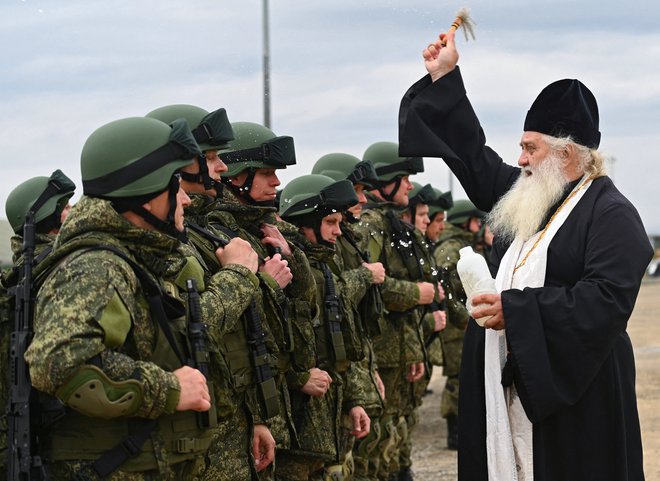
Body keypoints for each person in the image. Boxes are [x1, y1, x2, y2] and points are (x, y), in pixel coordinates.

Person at [398, 28, 652, 481]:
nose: (520, 159)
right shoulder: (533, 195)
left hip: (578, 399)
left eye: (529, 147)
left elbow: (606, 300)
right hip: (511, 389)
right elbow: (474, 158)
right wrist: (445, 78)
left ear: (566, 153)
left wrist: (514, 311)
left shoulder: (612, 214)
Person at [25, 116, 258, 480]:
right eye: (174, 186)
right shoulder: (96, 267)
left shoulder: (130, 258)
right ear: (144, 194)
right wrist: (169, 388)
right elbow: (59, 363)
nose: (184, 198)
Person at [147, 105, 278, 480]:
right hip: (193, 433)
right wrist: (241, 274)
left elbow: (238, 345)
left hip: (227, 423)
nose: (222, 167)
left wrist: (253, 419)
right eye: (210, 157)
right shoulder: (165, 240)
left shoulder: (201, 230)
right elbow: (187, 332)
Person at [279, 174, 372, 481]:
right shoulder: (286, 270)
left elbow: (344, 343)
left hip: (326, 422)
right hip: (296, 428)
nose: (337, 230)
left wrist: (354, 401)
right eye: (330, 222)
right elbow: (268, 345)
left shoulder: (325, 268)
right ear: (306, 222)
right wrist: (298, 377)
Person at [354, 141, 436, 481]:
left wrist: (415, 350)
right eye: (404, 178)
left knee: (392, 438)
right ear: (385, 181)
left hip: (398, 353)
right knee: (372, 447)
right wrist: (415, 293)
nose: (409, 186)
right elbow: (370, 288)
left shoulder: (390, 225)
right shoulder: (370, 227)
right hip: (381, 353)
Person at [312, 153, 387, 481]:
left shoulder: (347, 237)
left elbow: (355, 325)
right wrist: (365, 276)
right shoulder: (322, 242)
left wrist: (370, 372)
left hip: (355, 369)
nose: (361, 198)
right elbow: (332, 301)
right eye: (354, 189)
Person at [1, 170, 76, 479]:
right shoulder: (64, 270)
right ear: (50, 218)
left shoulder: (17, 278)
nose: (75, 212)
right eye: (67, 207)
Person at [433, 199, 485, 450]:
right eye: (475, 221)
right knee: (456, 377)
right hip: (456, 324)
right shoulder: (451, 248)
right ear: (464, 221)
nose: (479, 226)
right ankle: (453, 427)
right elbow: (445, 286)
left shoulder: (464, 245)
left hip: (465, 318)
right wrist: (461, 315)